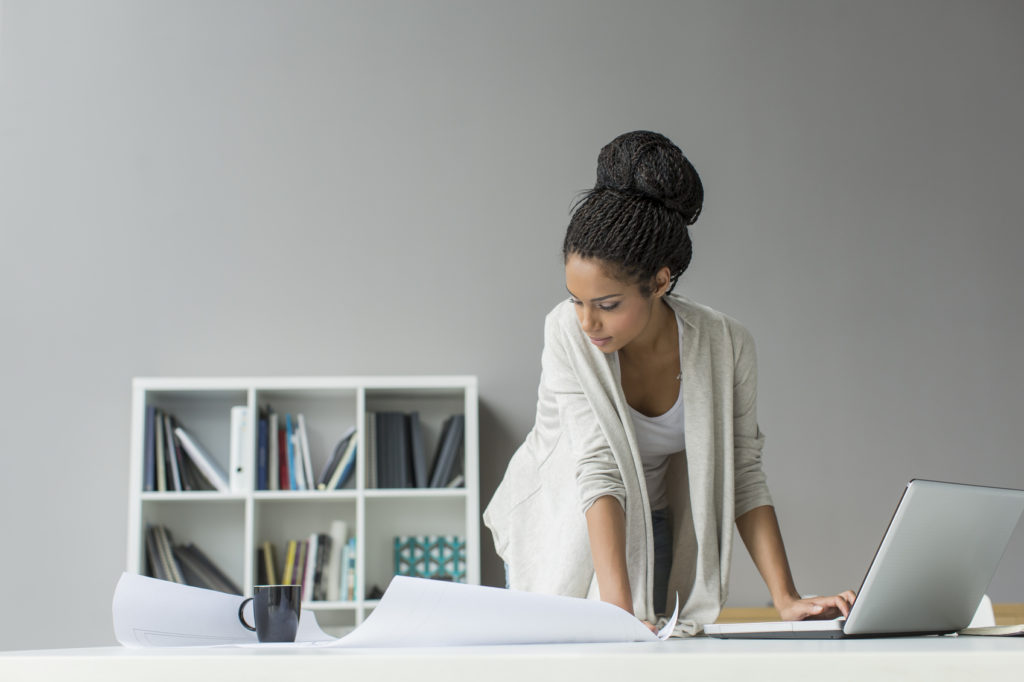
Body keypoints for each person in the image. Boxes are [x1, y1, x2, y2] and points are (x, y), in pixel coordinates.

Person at [482, 131, 855, 635]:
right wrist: (617, 609)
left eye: (608, 305)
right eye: (576, 299)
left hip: (655, 524)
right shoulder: (566, 333)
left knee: (659, 655)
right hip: (565, 524)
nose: (588, 322)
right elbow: (597, 469)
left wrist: (786, 599)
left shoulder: (727, 344)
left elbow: (743, 471)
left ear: (660, 282)